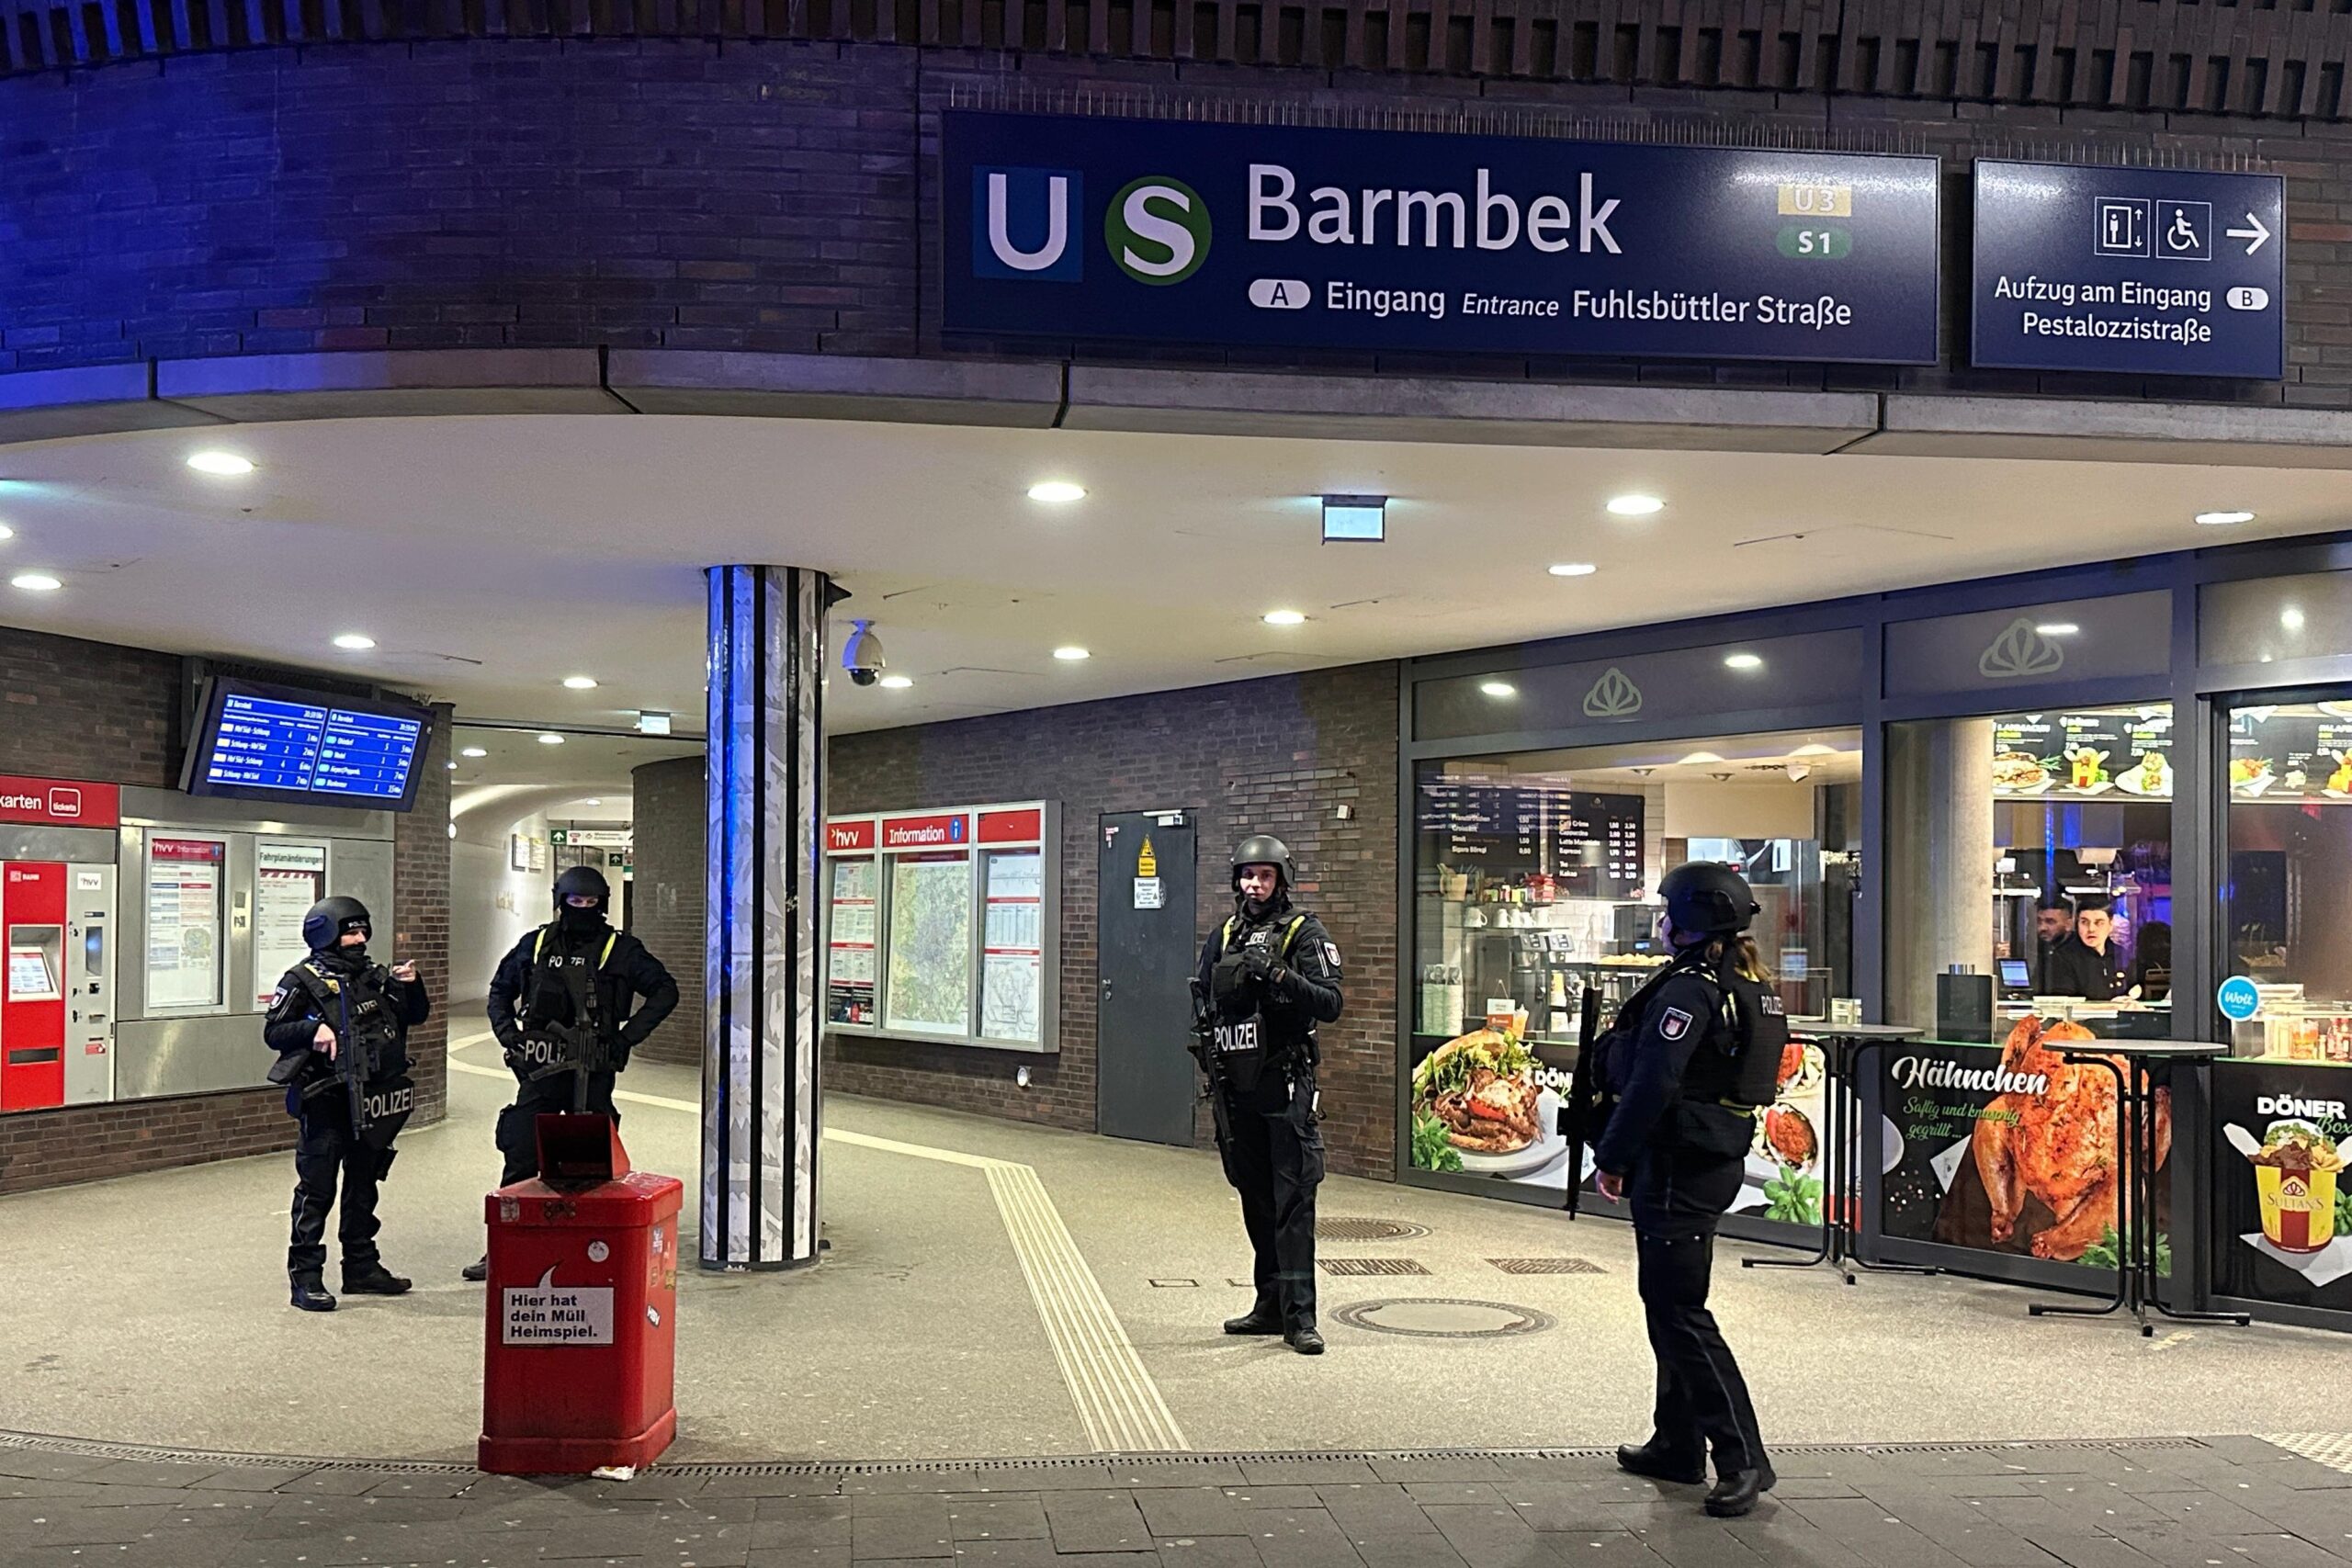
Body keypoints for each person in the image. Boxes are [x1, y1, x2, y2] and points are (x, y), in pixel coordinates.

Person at [1590, 863, 1781, 1517]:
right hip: (1704, 1156)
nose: (1662, 919)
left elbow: (1653, 1082)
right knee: (1666, 1301)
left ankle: (1742, 1457)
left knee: (1679, 1310)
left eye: (1669, 909)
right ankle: (1676, 1441)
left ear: (1695, 919)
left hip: (1677, 1164)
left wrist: (1611, 1156)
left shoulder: (1690, 991)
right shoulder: (1745, 984)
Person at [461, 864, 677, 1282]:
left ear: (602, 904)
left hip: (592, 1071)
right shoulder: (537, 943)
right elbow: (501, 992)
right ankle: (506, 1248)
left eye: (590, 903)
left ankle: (592, 1248)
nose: (582, 909)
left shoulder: (620, 949)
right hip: (540, 1072)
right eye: (575, 902)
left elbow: (665, 990)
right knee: (521, 1154)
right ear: (561, 901)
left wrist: (624, 1038)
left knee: (591, 1164)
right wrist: (511, 1038)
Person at [1193, 834, 1343, 1355]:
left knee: (1294, 1199)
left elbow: (1331, 1002)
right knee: (1254, 1195)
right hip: (1239, 1086)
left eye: (1264, 876)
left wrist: (1280, 973)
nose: (1253, 885)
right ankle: (1269, 1305)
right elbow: (1203, 1001)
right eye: (1246, 876)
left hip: (1285, 1082)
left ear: (1282, 878)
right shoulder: (1226, 934)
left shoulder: (1304, 932)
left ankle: (1301, 1318)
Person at [262, 896, 430, 1313]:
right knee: (317, 1191)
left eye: (362, 931)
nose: (358, 939)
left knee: (364, 1185)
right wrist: (311, 1030)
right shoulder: (302, 980)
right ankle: (306, 1278)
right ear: (327, 934)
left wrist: (411, 986)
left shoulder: (374, 977)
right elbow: (274, 1031)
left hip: (372, 1101)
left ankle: (361, 1266)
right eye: (349, 932)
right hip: (326, 1102)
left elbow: (414, 1017)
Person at [2042, 900, 2126, 1000]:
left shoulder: (2121, 954)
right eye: (2084, 922)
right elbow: (2064, 1003)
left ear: (2111, 925)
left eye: (2099, 923)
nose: (2091, 929)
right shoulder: (2062, 957)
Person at [2031, 898, 2075, 987]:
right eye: (2039, 921)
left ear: (2069, 924)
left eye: (2050, 922)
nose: (2042, 928)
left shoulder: (2078, 955)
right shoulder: (2041, 950)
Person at [2127, 920, 2172, 1002]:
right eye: (2158, 942)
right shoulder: (2135, 968)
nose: (2164, 946)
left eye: (2167, 941)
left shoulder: (2177, 966)